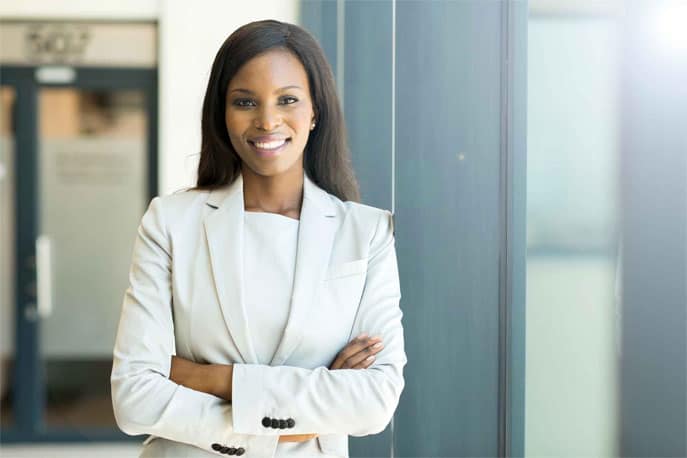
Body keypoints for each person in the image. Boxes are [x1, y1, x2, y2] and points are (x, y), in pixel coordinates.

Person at [110, 19, 406, 458]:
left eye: (287, 100)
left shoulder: (367, 233)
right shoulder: (171, 223)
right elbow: (134, 398)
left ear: (315, 111)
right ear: (222, 114)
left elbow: (375, 400)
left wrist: (207, 377)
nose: (267, 120)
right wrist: (296, 417)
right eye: (245, 101)